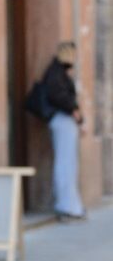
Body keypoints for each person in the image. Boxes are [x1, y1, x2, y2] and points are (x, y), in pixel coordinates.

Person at [43, 41, 86, 221]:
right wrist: (75, 112)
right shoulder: (56, 73)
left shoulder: (60, 72)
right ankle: (66, 206)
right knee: (65, 163)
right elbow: (59, 96)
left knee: (69, 164)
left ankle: (72, 205)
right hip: (62, 120)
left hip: (64, 121)